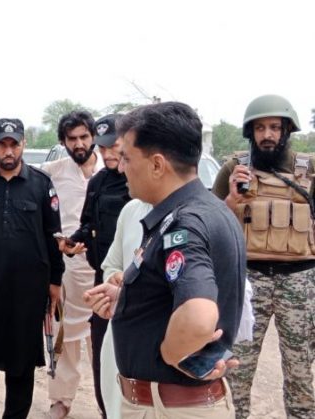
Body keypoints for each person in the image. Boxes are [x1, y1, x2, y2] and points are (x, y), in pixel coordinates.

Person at [84, 102, 245, 418]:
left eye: (128, 158)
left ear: (157, 165)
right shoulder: (208, 211)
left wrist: (171, 354)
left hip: (168, 407)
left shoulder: (184, 225)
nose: (121, 167)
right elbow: (177, 288)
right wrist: (130, 297)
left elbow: (198, 314)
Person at [212, 94, 315, 419]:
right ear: (250, 132)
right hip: (248, 281)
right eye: (260, 128)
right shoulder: (235, 167)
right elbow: (209, 221)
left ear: (287, 130)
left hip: (300, 281)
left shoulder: (309, 170)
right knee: (235, 371)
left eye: (274, 127)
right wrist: (231, 196)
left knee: (301, 374)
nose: (267, 134)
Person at [0, 118, 65, 419]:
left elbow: (54, 237)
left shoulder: (42, 185)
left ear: (23, 144)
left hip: (28, 291)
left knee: (21, 362)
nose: (8, 151)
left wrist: (55, 281)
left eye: (14, 144)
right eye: (1, 144)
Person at [64, 113, 130, 418]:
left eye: (113, 146)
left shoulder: (140, 181)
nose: (106, 153)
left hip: (137, 284)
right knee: (103, 359)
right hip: (103, 284)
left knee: (129, 356)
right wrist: (71, 242)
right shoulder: (99, 182)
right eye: (102, 148)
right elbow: (87, 223)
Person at [39, 110, 102, 419]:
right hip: (68, 271)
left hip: (106, 272)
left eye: (84, 137)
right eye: (72, 139)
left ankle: (111, 404)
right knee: (63, 337)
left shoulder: (113, 169)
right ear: (63, 142)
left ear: (94, 137)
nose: (79, 144)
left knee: (107, 342)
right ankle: (61, 400)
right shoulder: (52, 171)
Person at [98, 198, 152, 419]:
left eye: (128, 161)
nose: (122, 169)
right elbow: (111, 263)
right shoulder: (131, 210)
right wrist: (114, 277)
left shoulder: (190, 215)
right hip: (121, 332)